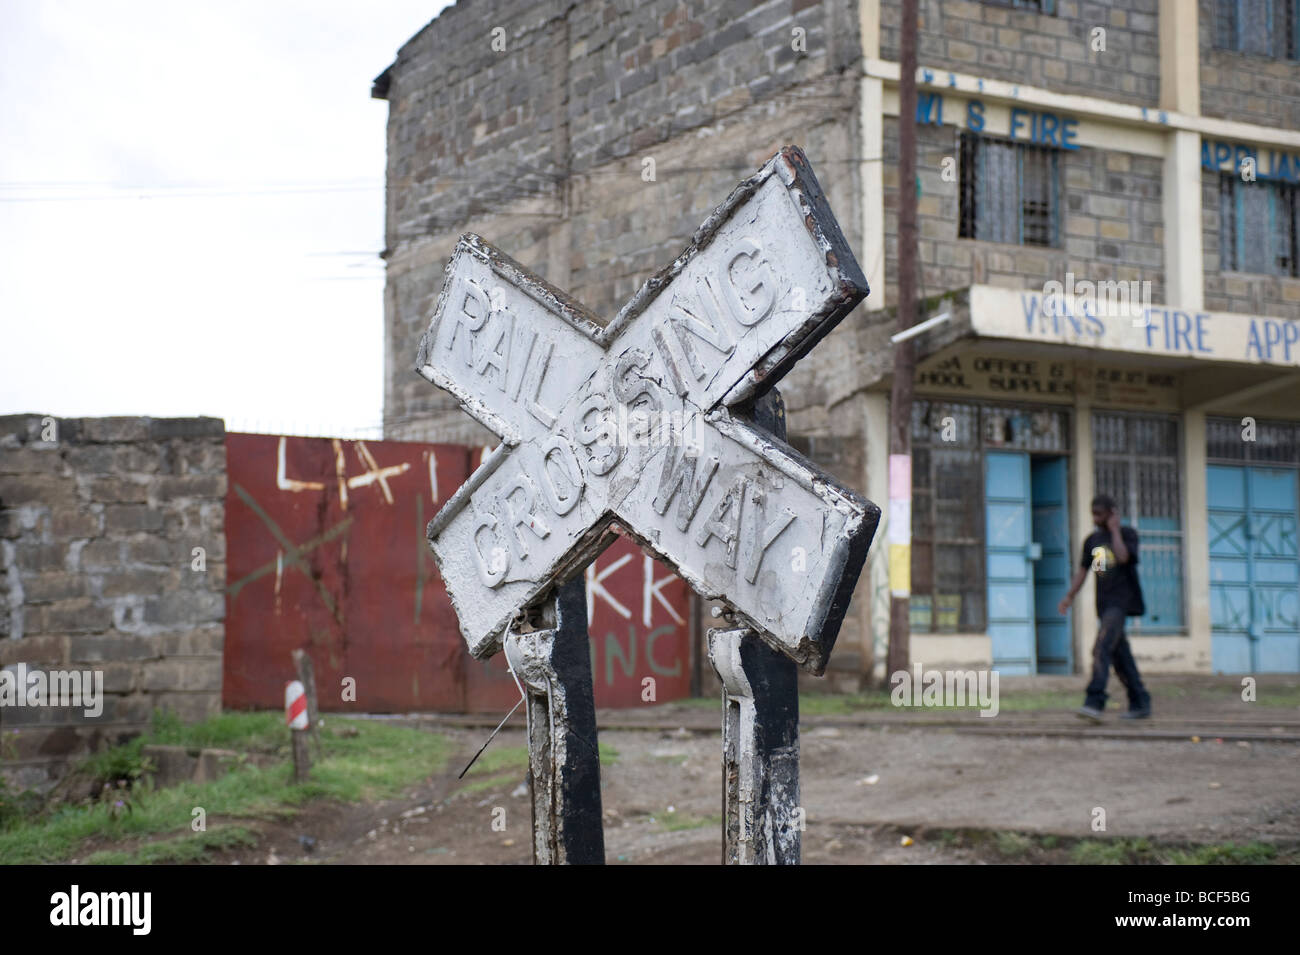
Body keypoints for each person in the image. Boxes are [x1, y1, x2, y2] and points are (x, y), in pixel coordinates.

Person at [1057, 494, 1151, 722]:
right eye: (1093, 514)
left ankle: (1094, 700)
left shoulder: (1128, 535)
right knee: (1120, 656)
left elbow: (1123, 557)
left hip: (1122, 603)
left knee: (1101, 647)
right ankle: (1140, 701)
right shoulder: (1092, 541)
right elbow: (1083, 571)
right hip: (1104, 604)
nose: (1095, 518)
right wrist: (1069, 596)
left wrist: (1115, 530)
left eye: (1100, 513)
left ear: (1112, 513)